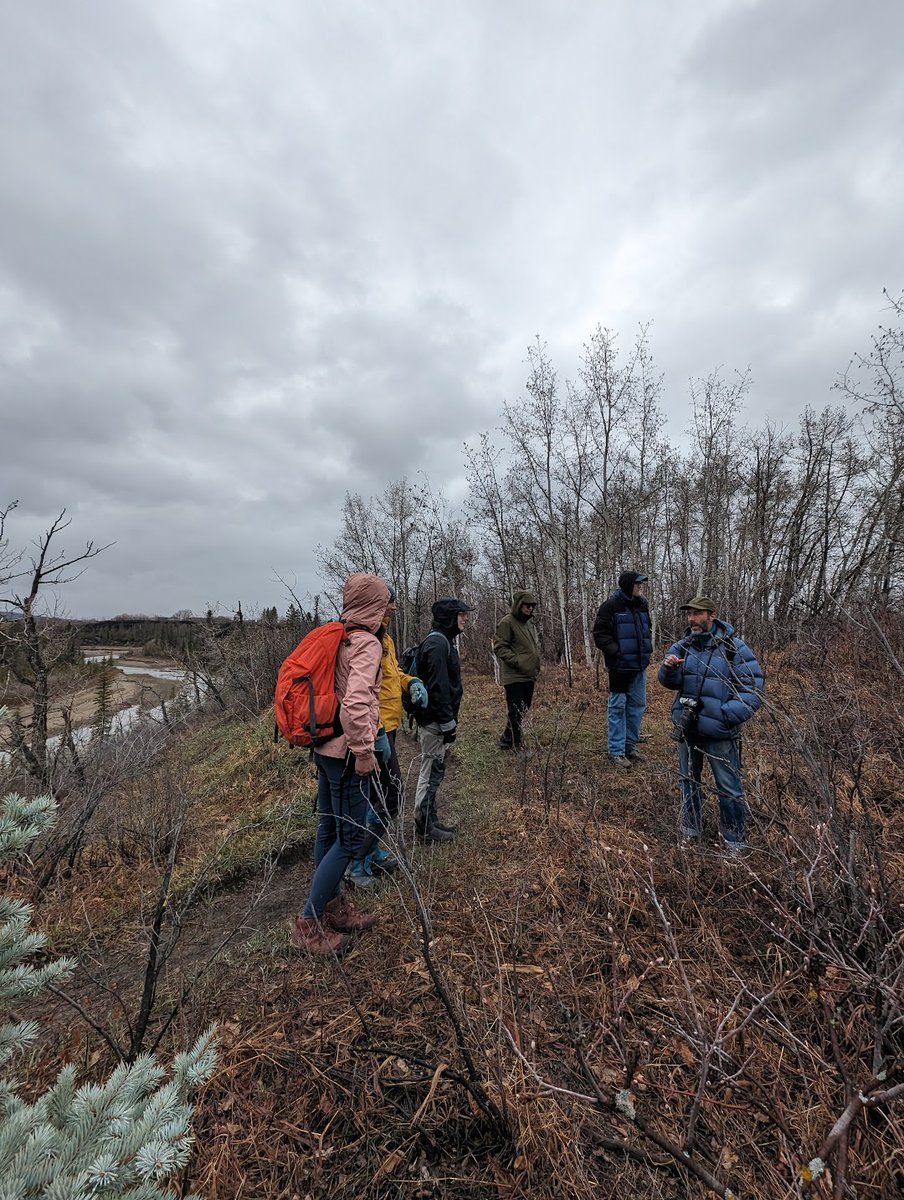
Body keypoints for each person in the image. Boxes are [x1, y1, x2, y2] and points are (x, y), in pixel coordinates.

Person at [291, 572, 390, 955]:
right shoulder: (366, 643)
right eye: (383, 605)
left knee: (329, 829)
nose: (386, 613)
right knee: (349, 840)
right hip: (347, 754)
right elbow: (355, 703)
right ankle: (309, 922)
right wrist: (365, 751)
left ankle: (332, 908)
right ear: (374, 608)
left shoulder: (338, 636)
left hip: (325, 748)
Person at [657, 595, 765, 853]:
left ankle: (734, 843)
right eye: (689, 614)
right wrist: (669, 669)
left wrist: (726, 715)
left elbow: (753, 689)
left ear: (711, 615)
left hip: (719, 732)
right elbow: (668, 681)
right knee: (687, 781)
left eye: (697, 614)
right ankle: (690, 831)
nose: (692, 619)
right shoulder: (682, 647)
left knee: (728, 787)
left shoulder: (734, 648)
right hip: (687, 727)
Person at [346, 587, 429, 889]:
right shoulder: (364, 642)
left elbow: (394, 675)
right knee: (388, 795)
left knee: (378, 795)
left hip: (389, 726)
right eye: (389, 603)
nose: (394, 607)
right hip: (373, 731)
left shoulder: (386, 640)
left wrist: (413, 682)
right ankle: (357, 861)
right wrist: (372, 735)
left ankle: (372, 850)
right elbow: (358, 694)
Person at [412, 597, 473, 843]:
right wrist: (448, 724)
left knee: (435, 768)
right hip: (434, 721)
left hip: (435, 720)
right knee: (431, 769)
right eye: (461, 614)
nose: (465, 618)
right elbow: (439, 689)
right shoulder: (438, 644)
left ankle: (430, 820)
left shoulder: (441, 641)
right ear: (449, 617)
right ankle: (424, 827)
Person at [592, 570, 652, 768]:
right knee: (618, 707)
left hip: (639, 666)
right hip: (619, 667)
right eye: (637, 584)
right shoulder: (611, 606)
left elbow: (646, 631)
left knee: (637, 706)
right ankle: (616, 751)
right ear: (628, 585)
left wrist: (646, 653)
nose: (640, 587)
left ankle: (630, 747)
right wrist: (616, 652)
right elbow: (600, 634)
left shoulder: (642, 605)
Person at [492, 589, 541, 752]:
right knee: (516, 710)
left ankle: (506, 740)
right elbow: (499, 647)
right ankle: (516, 745)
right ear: (519, 605)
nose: (530, 609)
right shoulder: (507, 622)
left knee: (522, 708)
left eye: (532, 606)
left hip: (527, 674)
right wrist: (518, 662)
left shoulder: (524, 623)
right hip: (514, 676)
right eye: (527, 606)